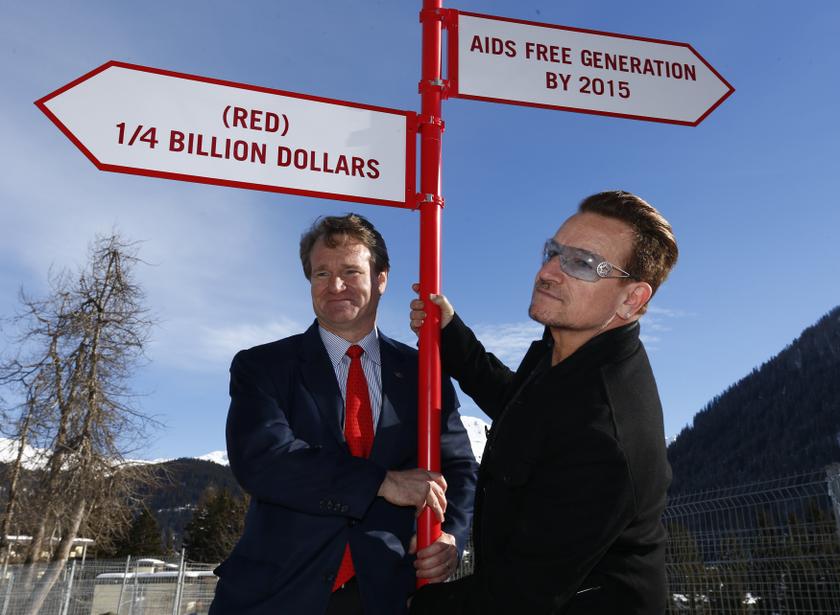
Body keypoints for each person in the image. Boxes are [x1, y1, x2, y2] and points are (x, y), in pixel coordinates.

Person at [408, 191, 678, 614]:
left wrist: (413, 604)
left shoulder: (606, 432)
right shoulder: (566, 352)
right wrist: (451, 334)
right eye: (553, 251)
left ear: (632, 299)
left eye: (583, 263)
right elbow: (519, 407)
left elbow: (519, 597)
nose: (548, 271)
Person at [210, 214, 477, 615]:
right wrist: (380, 483)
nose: (335, 286)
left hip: (389, 593)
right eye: (322, 273)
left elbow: (458, 468)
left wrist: (451, 536)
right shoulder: (262, 366)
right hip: (276, 593)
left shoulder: (425, 373)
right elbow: (263, 460)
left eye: (351, 271)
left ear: (381, 278)